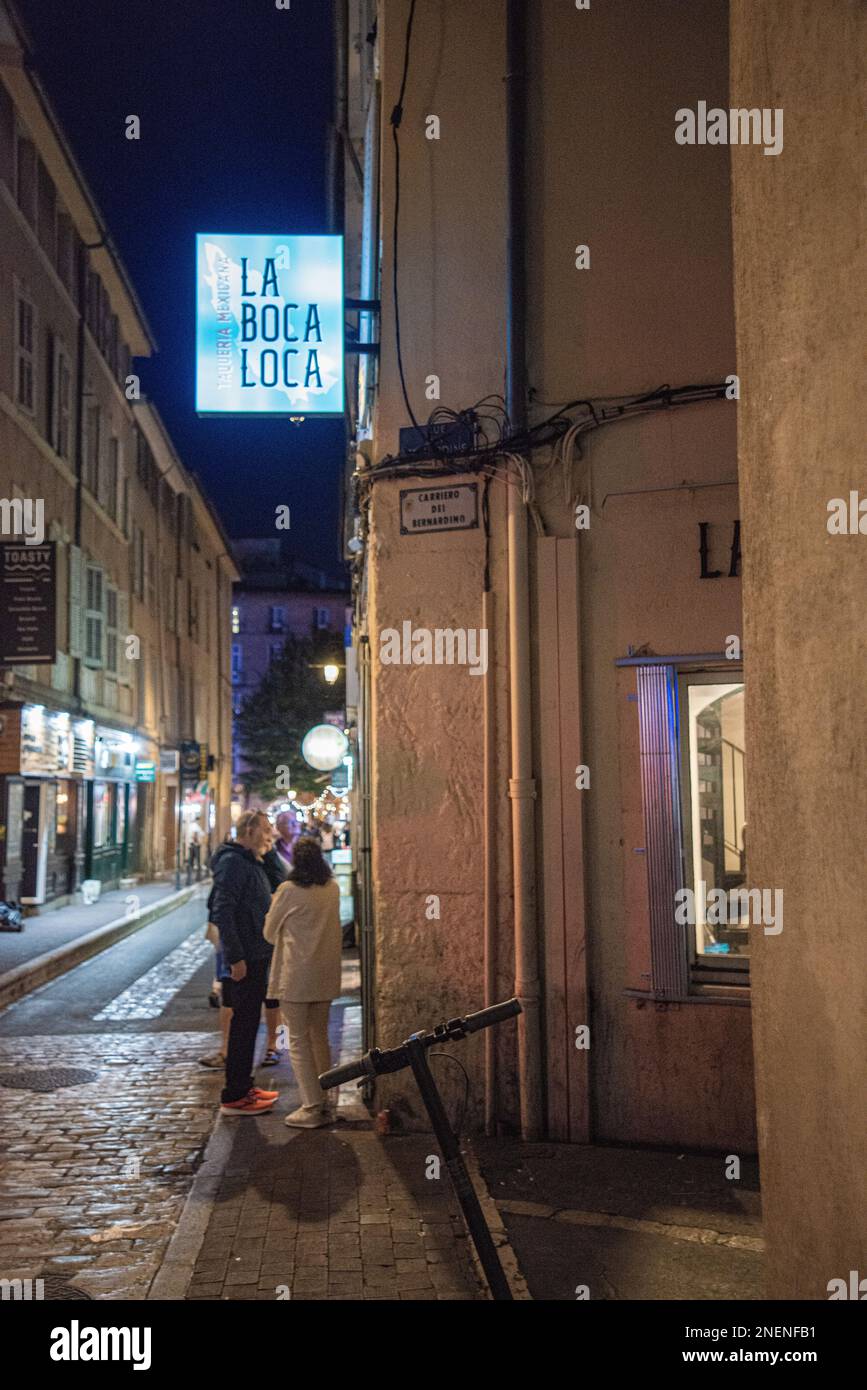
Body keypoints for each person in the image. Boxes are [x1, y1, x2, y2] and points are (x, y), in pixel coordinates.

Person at [264, 836, 342, 1128]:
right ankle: (325, 1097)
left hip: (296, 975)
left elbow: (269, 933)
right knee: (319, 1037)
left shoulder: (288, 890)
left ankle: (311, 1106)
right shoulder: (332, 888)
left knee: (297, 1041)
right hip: (324, 974)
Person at [208, 810, 279, 1115]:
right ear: (248, 830)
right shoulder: (233, 862)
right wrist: (235, 957)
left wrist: (269, 851)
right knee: (243, 1025)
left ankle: (244, 1086)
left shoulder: (251, 859)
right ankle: (235, 1095)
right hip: (246, 957)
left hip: (257, 953)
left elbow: (282, 879)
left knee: (250, 1024)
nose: (270, 835)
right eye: (265, 830)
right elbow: (223, 910)